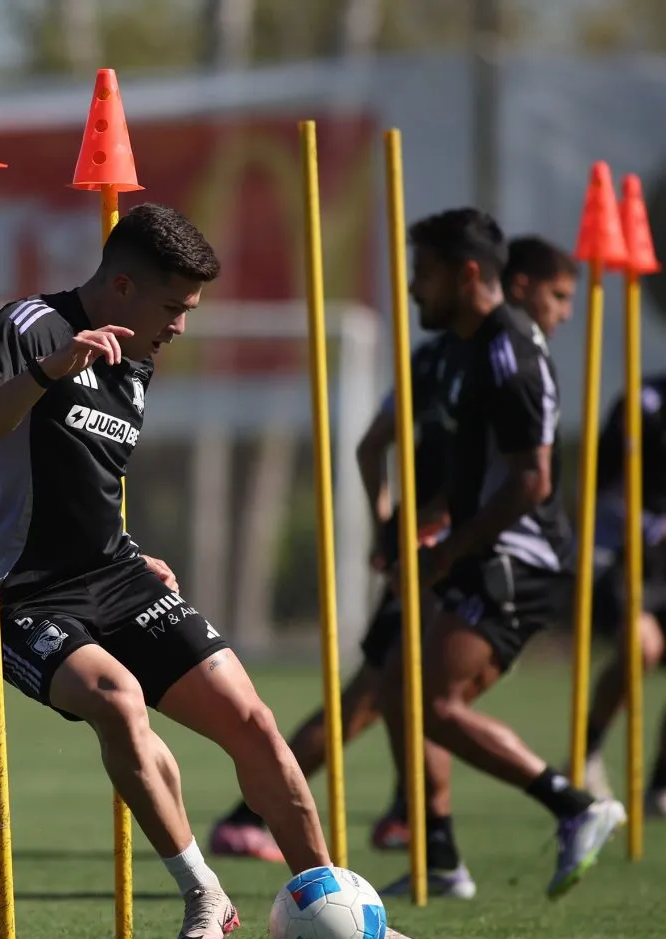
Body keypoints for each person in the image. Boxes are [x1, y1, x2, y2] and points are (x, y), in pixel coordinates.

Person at [0, 202, 431, 939]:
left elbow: (84, 484)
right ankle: (205, 891)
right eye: (173, 307)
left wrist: (132, 549)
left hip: (114, 575)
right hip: (19, 595)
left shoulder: (138, 357)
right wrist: (47, 372)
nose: (180, 326)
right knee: (116, 700)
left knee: (255, 722)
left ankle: (342, 902)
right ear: (124, 287)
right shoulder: (28, 326)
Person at [209, 234, 580, 860]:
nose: (566, 311)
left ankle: (420, 827)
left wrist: (391, 526)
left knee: (404, 692)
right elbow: (497, 474)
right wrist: (414, 533)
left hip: (432, 542)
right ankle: (269, 815)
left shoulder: (446, 357)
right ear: (515, 286)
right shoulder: (487, 359)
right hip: (447, 550)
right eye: (559, 295)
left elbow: (371, 446)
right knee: (388, 696)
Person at [375, 208, 625, 901]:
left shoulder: (505, 352)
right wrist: (417, 532)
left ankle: (576, 807)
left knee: (436, 701)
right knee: (396, 685)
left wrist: (444, 551)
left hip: (519, 560)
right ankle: (441, 857)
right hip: (477, 549)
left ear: (468, 274)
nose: (412, 289)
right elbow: (474, 473)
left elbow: (528, 481)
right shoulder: (464, 347)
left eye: (421, 274)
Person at [576, 376, 666, 815]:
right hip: (627, 553)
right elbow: (599, 486)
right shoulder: (642, 402)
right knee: (641, 647)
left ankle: (661, 786)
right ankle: (587, 753)